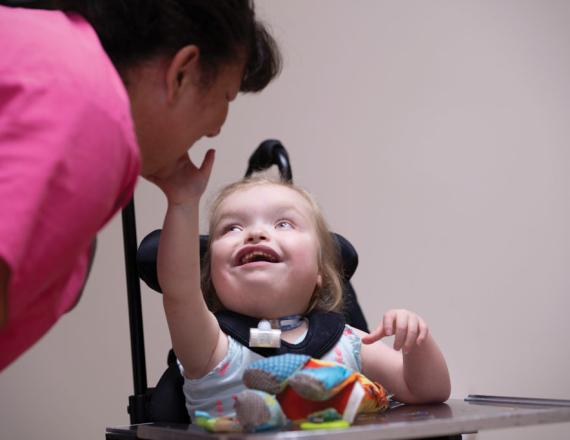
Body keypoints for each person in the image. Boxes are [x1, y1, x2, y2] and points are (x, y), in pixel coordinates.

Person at [0, 0, 281, 371]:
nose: (215, 128)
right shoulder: (91, 109)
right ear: (183, 72)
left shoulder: (45, 50)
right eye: (226, 97)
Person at [153, 159, 451, 419]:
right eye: (232, 228)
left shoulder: (348, 342)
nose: (256, 233)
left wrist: (417, 343)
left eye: (283, 224)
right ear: (209, 273)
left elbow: (426, 391)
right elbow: (179, 290)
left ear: (320, 270)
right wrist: (183, 203)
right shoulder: (210, 347)